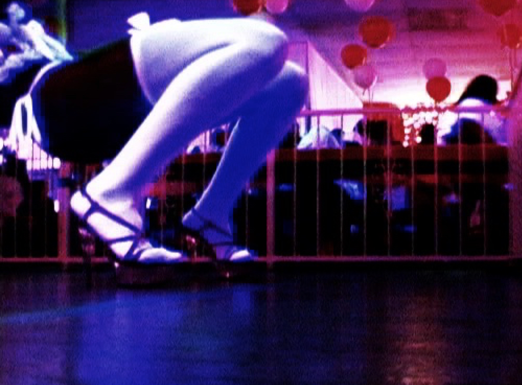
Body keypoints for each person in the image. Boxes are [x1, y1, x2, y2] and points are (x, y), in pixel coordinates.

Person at [0, 2, 309, 274]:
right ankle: (110, 193)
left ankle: (211, 213)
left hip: (76, 107)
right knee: (263, 41)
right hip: (53, 98)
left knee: (290, 84)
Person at [439, 74, 507, 146]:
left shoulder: (468, 105)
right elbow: (468, 125)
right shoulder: (472, 104)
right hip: (471, 150)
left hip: (459, 148)